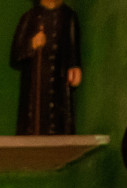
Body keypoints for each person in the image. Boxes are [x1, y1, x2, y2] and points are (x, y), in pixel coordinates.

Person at [12, 0, 82, 135]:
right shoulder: (30, 17)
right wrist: (32, 44)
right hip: (36, 86)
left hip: (59, 85)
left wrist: (75, 65)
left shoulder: (69, 16)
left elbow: (73, 46)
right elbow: (16, 54)